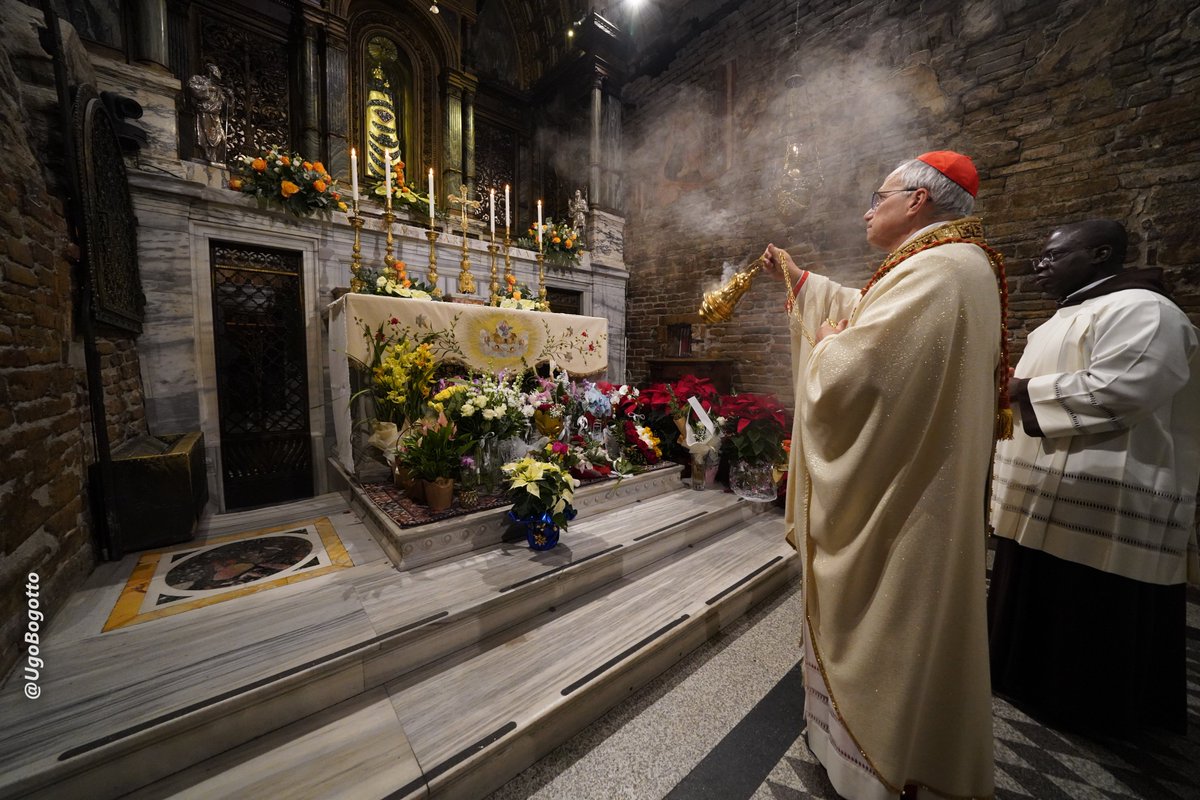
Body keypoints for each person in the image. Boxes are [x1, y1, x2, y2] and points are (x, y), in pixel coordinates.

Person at [764, 151, 1007, 799]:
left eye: (879, 196)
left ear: (918, 201)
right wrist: (804, 283)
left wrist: (822, 348)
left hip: (909, 503)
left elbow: (857, 370)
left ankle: (879, 764)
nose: (870, 209)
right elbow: (873, 317)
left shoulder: (941, 270)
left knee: (893, 619)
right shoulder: (948, 263)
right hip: (921, 483)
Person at [988, 219, 1200, 737]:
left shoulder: (1146, 310)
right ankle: (1025, 680)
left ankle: (1094, 710)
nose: (1039, 266)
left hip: (1108, 488)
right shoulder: (1064, 317)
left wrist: (1019, 390)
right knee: (1039, 584)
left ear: (1101, 254)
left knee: (1094, 604)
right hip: (1045, 488)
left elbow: (1126, 388)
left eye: (1053, 256)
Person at [187, 63, 228, 163]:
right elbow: (191, 87)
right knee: (204, 137)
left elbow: (225, 105)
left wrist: (230, 98)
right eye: (214, 75)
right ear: (209, 72)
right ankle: (205, 156)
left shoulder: (218, 88)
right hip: (204, 112)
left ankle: (215, 158)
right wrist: (208, 88)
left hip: (215, 115)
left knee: (222, 139)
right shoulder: (198, 79)